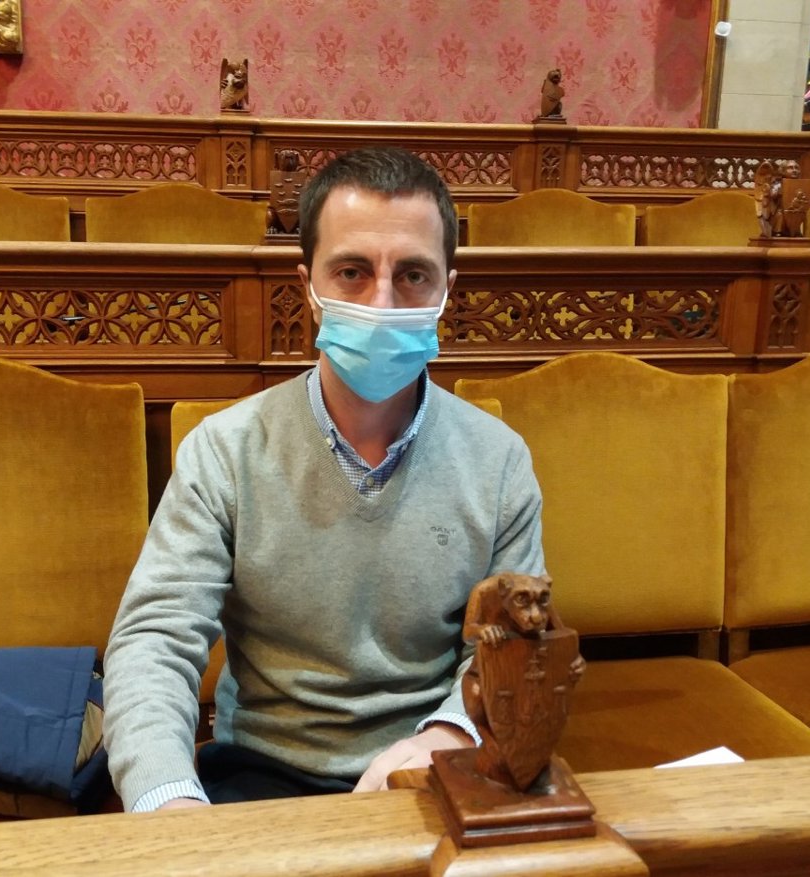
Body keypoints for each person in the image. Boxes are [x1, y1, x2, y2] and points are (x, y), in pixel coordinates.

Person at [103, 146, 545, 813]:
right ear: (307, 286)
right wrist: (168, 802)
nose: (382, 301)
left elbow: (514, 644)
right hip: (265, 770)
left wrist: (450, 732)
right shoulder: (223, 452)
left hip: (434, 762)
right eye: (352, 271)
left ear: (447, 290)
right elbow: (155, 640)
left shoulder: (500, 460)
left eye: (414, 275)